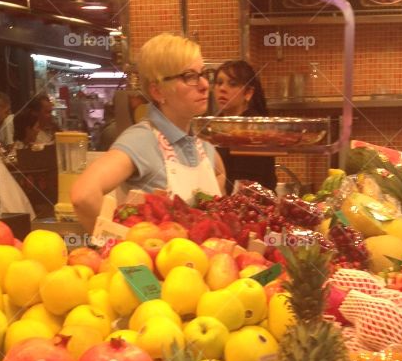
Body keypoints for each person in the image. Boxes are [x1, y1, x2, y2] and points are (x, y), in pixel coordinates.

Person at [70, 33, 225, 230]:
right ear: (158, 91)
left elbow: (220, 178)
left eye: (203, 74)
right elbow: (83, 195)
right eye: (189, 77)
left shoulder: (204, 147)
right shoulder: (142, 140)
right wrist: (124, 241)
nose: (204, 85)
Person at [212, 60, 276, 190]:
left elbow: (246, 185)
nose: (222, 89)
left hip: (253, 205)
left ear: (248, 93)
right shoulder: (214, 125)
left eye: (232, 84)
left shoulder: (253, 128)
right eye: (219, 83)